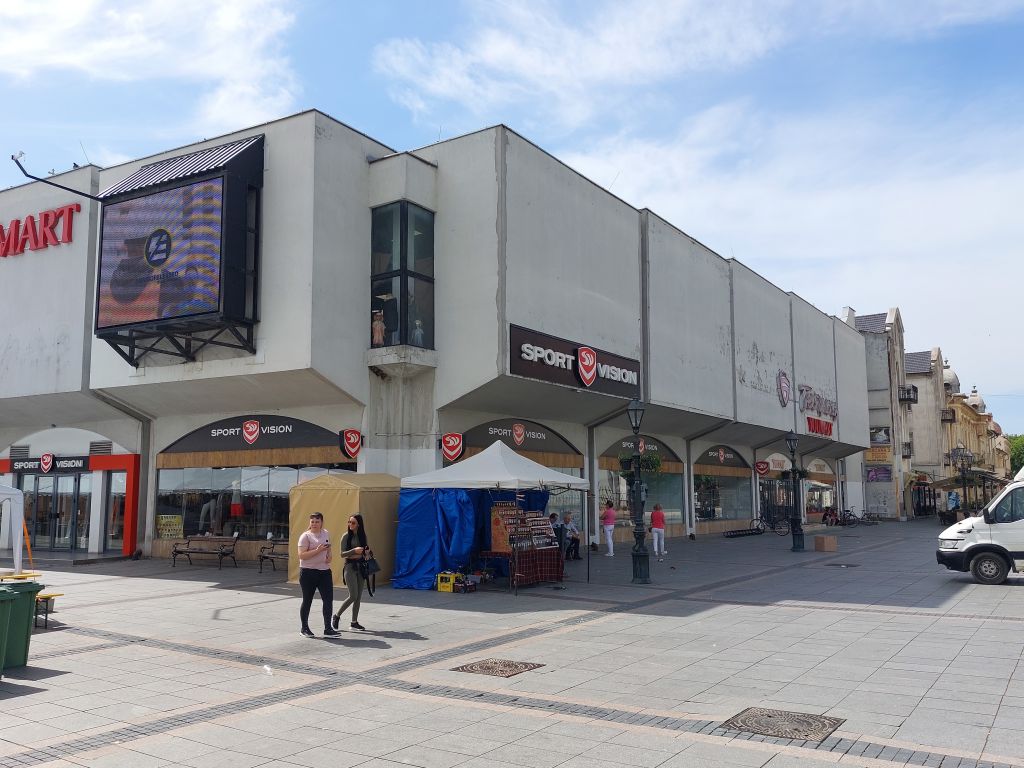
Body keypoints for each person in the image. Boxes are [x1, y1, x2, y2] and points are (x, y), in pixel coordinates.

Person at [296, 512, 339, 638]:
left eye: (317, 521)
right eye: (312, 521)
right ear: (310, 523)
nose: (314, 524)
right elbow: (301, 555)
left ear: (321, 522)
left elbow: (328, 548)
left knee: (328, 600)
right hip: (308, 572)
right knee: (307, 600)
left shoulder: (325, 533)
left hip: (324, 572)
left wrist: (329, 555)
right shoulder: (305, 536)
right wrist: (318, 550)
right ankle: (304, 628)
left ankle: (328, 628)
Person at [331, 514, 369, 631]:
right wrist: (355, 551)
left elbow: (365, 551)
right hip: (350, 567)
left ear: (359, 524)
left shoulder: (362, 536)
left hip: (361, 566)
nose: (350, 525)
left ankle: (354, 622)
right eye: (349, 522)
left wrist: (367, 553)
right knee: (353, 595)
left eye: (353, 523)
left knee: (358, 597)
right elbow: (342, 554)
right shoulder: (346, 536)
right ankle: (336, 616)